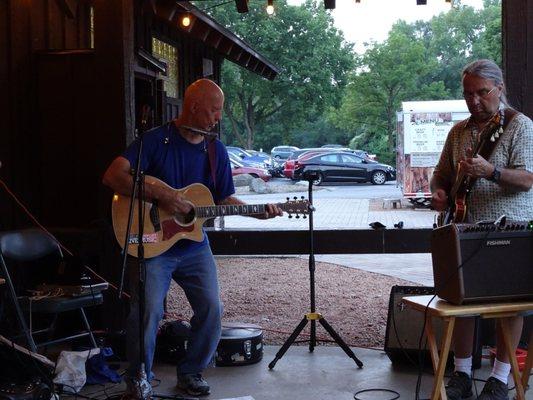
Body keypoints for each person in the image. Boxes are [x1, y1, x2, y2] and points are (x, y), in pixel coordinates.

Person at [102, 79, 282, 397]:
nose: (218, 118)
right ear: (194, 106)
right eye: (214, 110)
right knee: (148, 311)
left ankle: (191, 371)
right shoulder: (155, 141)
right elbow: (113, 175)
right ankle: (138, 376)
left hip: (194, 245)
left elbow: (224, 199)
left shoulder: (215, 151)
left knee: (212, 307)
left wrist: (259, 212)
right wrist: (164, 195)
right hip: (152, 242)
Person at [431, 59, 533, 400]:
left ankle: (500, 379)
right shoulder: (458, 132)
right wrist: (438, 191)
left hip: (511, 230)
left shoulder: (520, 127)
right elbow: (441, 174)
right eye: (467, 93)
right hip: (465, 230)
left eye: (481, 92)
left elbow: (528, 178)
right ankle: (461, 374)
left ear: (499, 89)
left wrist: (491, 172)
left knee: (510, 306)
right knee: (463, 303)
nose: (474, 100)